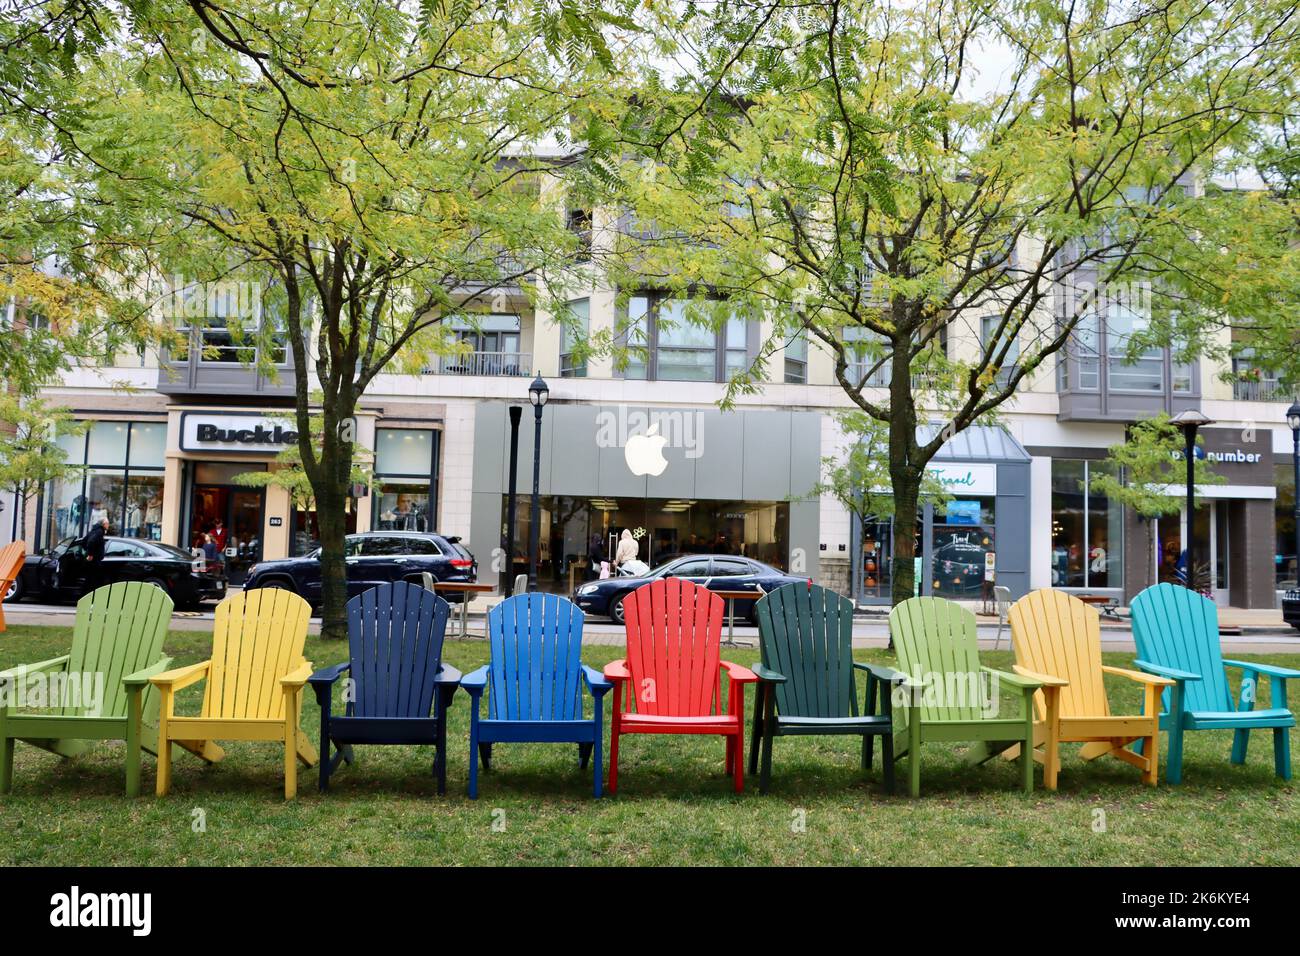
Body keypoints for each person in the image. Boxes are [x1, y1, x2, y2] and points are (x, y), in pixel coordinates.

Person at [82, 516, 109, 591]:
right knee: (92, 580)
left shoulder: (94, 531)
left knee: (89, 579)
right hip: (94, 561)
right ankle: (88, 596)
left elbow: (84, 541)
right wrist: (90, 555)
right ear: (103, 524)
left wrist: (87, 551)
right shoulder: (99, 532)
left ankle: (86, 595)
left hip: (91, 560)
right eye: (107, 523)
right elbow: (90, 542)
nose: (108, 525)